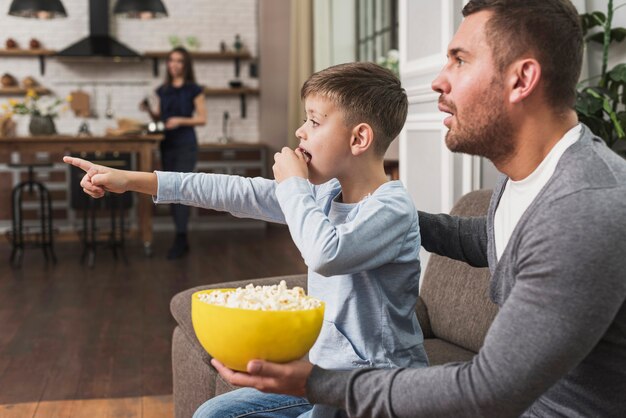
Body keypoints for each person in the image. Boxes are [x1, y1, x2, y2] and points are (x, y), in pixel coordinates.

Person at [208, 0, 626, 416]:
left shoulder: (583, 206)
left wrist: (317, 383)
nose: (438, 82)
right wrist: (381, 216)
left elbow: (487, 391)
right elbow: (494, 237)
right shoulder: (534, 179)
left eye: (459, 61)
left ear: (522, 80)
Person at [65, 62, 429, 417]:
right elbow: (230, 191)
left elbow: (325, 252)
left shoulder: (391, 208)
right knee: (214, 413)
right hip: (322, 379)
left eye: (314, 121)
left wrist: (294, 185)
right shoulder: (323, 195)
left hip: (378, 391)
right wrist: (132, 180)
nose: (301, 132)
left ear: (359, 138)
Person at [140, 46, 207, 259]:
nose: (174, 64)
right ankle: (180, 237)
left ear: (186, 65)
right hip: (167, 145)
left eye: (179, 61)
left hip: (186, 144)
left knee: (181, 190)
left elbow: (202, 118)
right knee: (169, 190)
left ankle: (181, 237)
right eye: (171, 61)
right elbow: (161, 119)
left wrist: (180, 120)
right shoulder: (163, 90)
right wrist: (149, 111)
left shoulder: (194, 89)